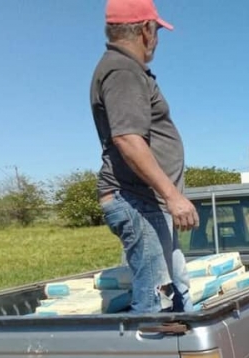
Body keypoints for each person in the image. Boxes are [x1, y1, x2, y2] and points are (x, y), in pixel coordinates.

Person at [90, 0, 198, 313]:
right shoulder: (122, 70)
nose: (157, 39)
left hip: (149, 203)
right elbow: (127, 138)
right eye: (157, 30)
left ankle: (177, 354)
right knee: (155, 302)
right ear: (146, 30)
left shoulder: (126, 69)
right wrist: (173, 196)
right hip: (137, 200)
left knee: (178, 294)